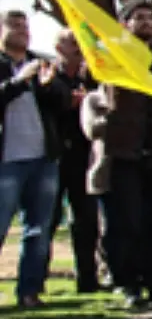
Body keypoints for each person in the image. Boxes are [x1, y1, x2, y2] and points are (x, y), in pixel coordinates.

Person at [91, 0, 152, 309]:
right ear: (124, 25)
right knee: (125, 221)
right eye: (138, 18)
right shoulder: (111, 58)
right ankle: (127, 283)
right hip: (125, 150)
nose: (146, 22)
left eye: (149, 17)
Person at [0, 10, 69, 307]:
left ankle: (29, 292)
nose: (22, 31)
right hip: (7, 161)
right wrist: (18, 82)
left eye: (26, 27)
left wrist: (49, 87)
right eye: (15, 26)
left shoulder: (41, 64)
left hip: (43, 160)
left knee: (38, 230)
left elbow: (63, 104)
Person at [47, 28, 101, 294]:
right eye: (73, 43)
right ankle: (36, 279)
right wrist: (69, 102)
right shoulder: (48, 76)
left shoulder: (90, 78)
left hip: (83, 156)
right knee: (49, 218)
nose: (79, 48)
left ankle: (87, 278)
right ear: (59, 48)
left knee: (86, 220)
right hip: (54, 156)